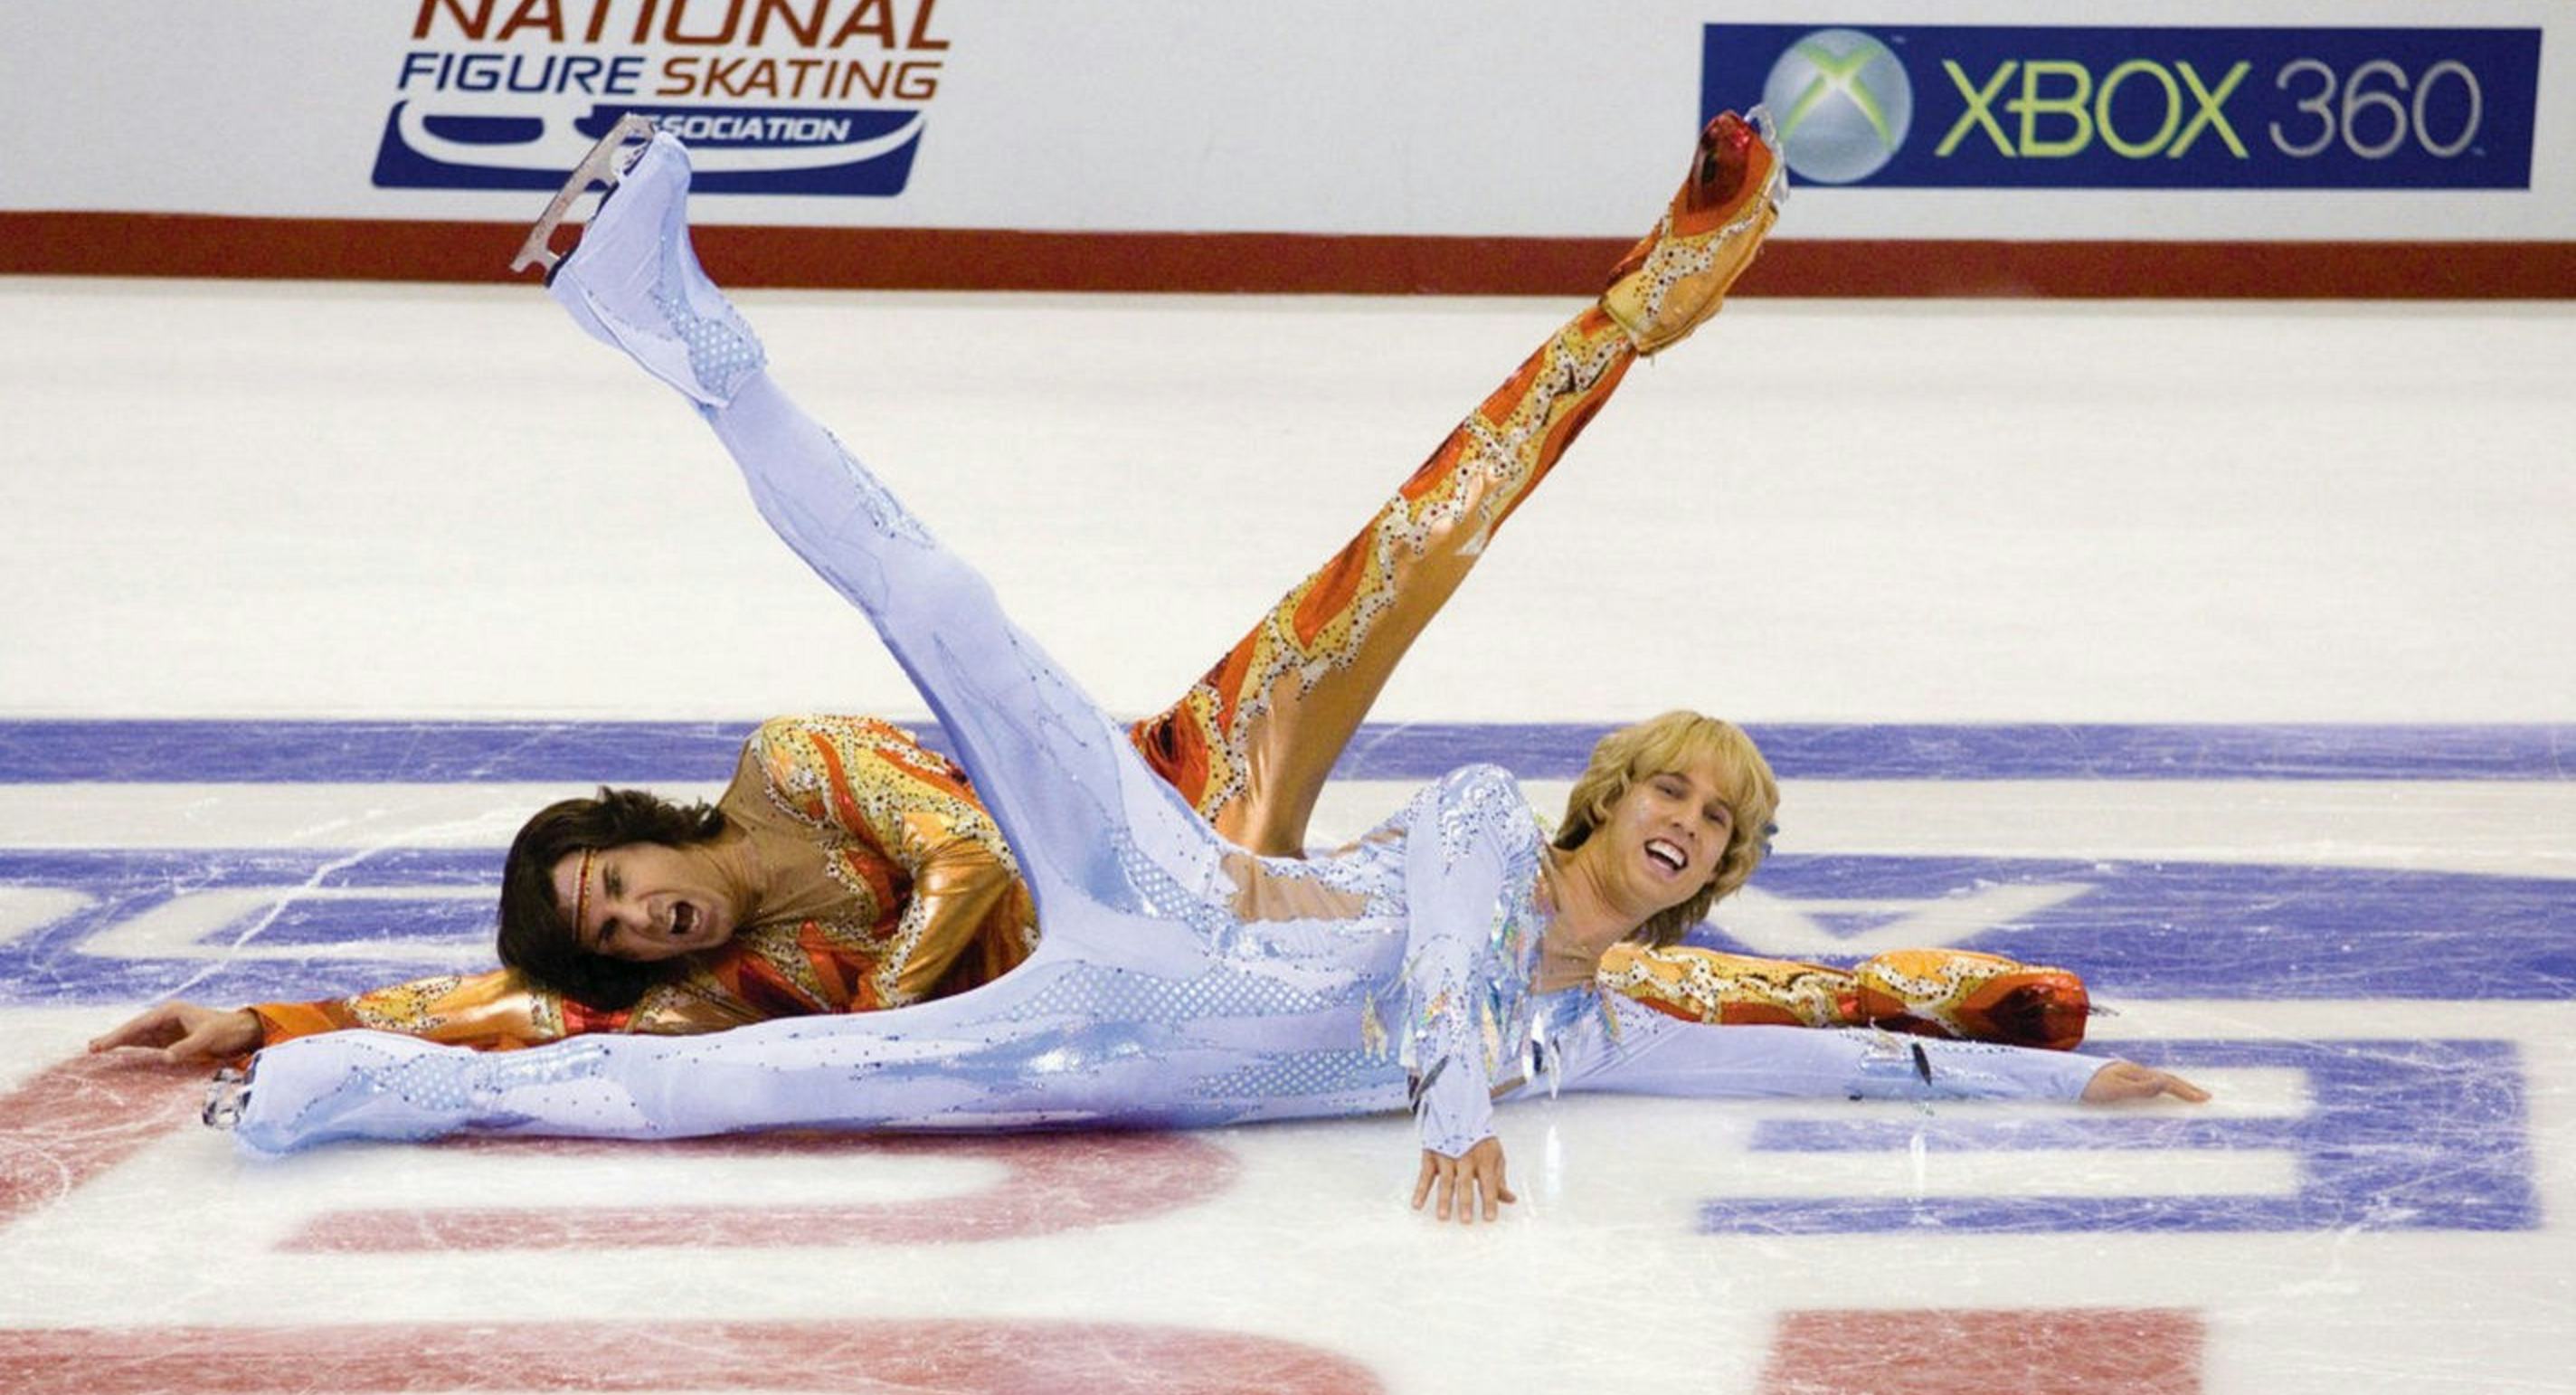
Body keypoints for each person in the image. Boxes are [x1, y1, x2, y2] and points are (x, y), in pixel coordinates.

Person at [215, 118, 2209, 1221]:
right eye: (613, 931)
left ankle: (1645, 303)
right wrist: (1437, 1089)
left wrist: (2053, 1078)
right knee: (950, 623)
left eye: (616, 878)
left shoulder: (797, 769)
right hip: (1153, 877)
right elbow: (1431, 878)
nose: (637, 912)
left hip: (1131, 957)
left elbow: (1787, 1042)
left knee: (1411, 550)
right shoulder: (1489, 854)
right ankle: (669, 313)